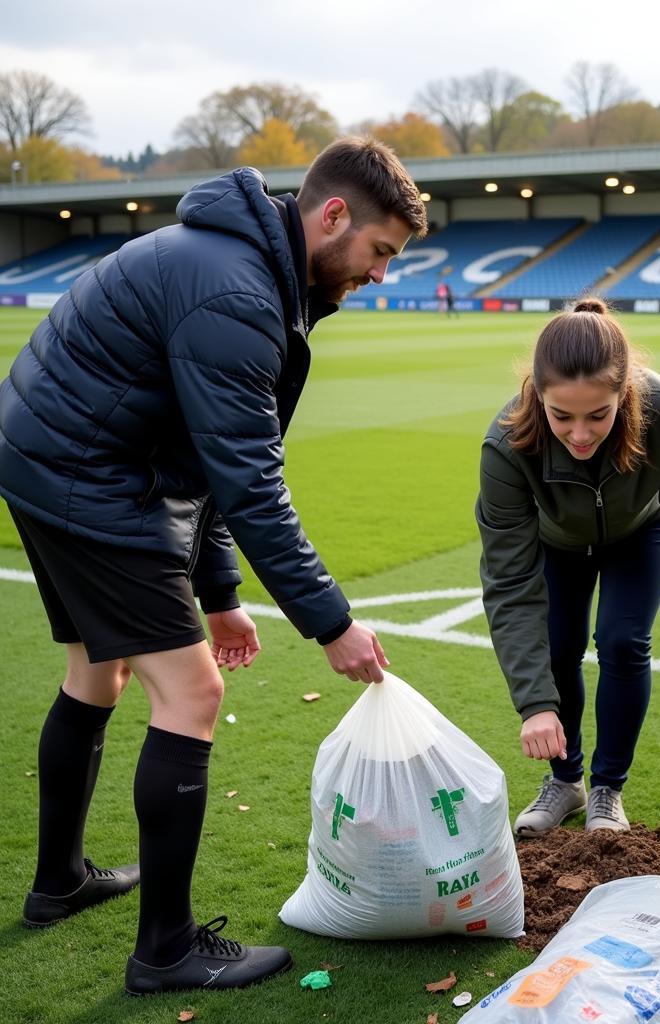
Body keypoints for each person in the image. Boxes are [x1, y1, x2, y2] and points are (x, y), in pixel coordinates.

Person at [0, 136, 427, 994]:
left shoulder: (244, 266)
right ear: (332, 215)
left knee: (97, 672)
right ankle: (166, 950)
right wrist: (331, 623)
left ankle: (57, 883)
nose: (381, 273)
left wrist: (222, 591)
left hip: (45, 458)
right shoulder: (236, 291)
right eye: (380, 252)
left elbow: (204, 460)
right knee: (192, 693)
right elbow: (248, 479)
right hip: (86, 476)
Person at [476, 298, 660, 837]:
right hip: (556, 544)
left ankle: (606, 790)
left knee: (622, 641)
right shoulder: (506, 443)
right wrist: (534, 705)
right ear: (536, 395)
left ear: (625, 395)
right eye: (561, 416)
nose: (579, 433)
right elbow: (509, 582)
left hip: (643, 531)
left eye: (598, 415)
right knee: (558, 647)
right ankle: (565, 780)